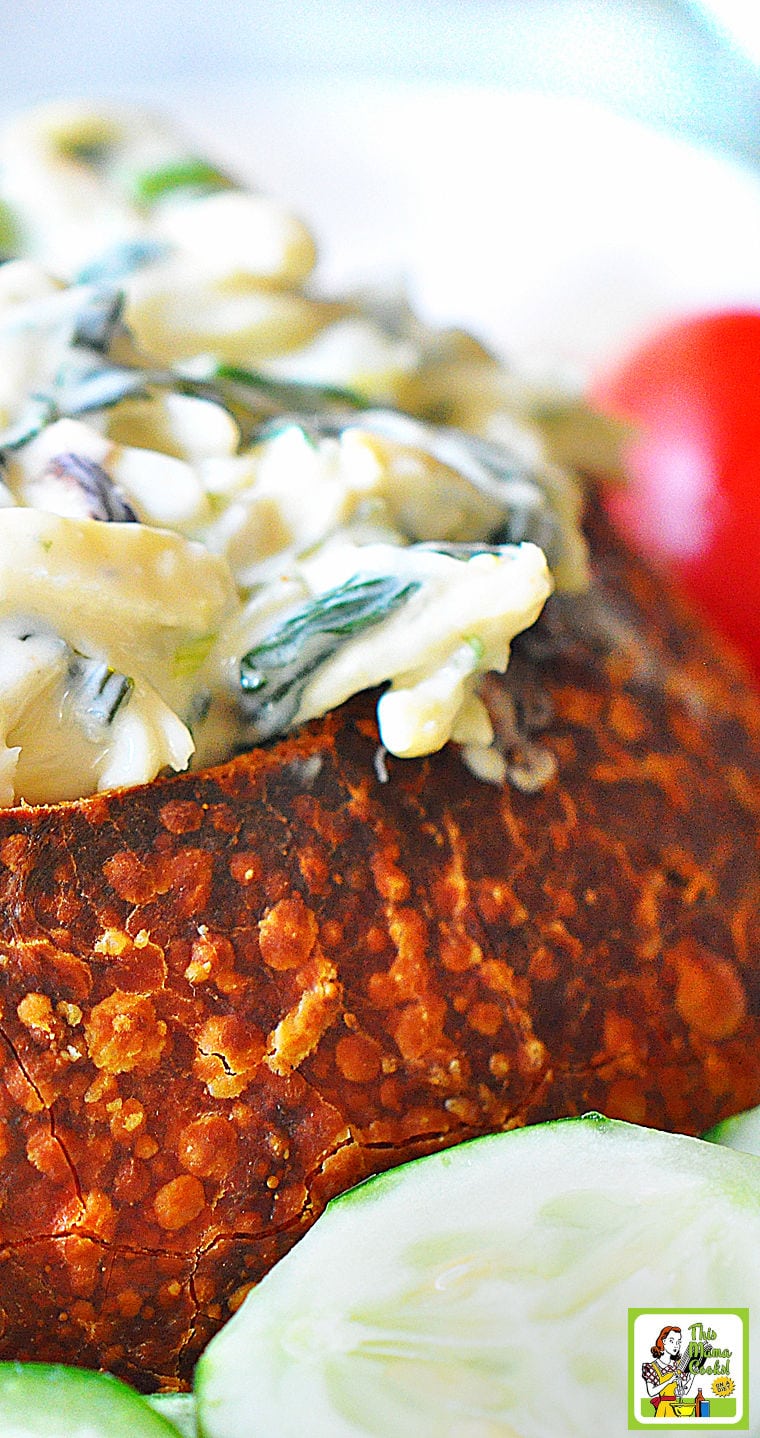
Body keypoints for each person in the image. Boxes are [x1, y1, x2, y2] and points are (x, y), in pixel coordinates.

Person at [641, 1326, 695, 1418]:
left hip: (677, 1409)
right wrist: (669, 1381)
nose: (676, 1345)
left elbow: (684, 1392)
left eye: (678, 1342)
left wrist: (692, 1374)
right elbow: (651, 1392)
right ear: (663, 1341)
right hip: (664, 1410)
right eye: (672, 1341)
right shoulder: (651, 1367)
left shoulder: (679, 1365)